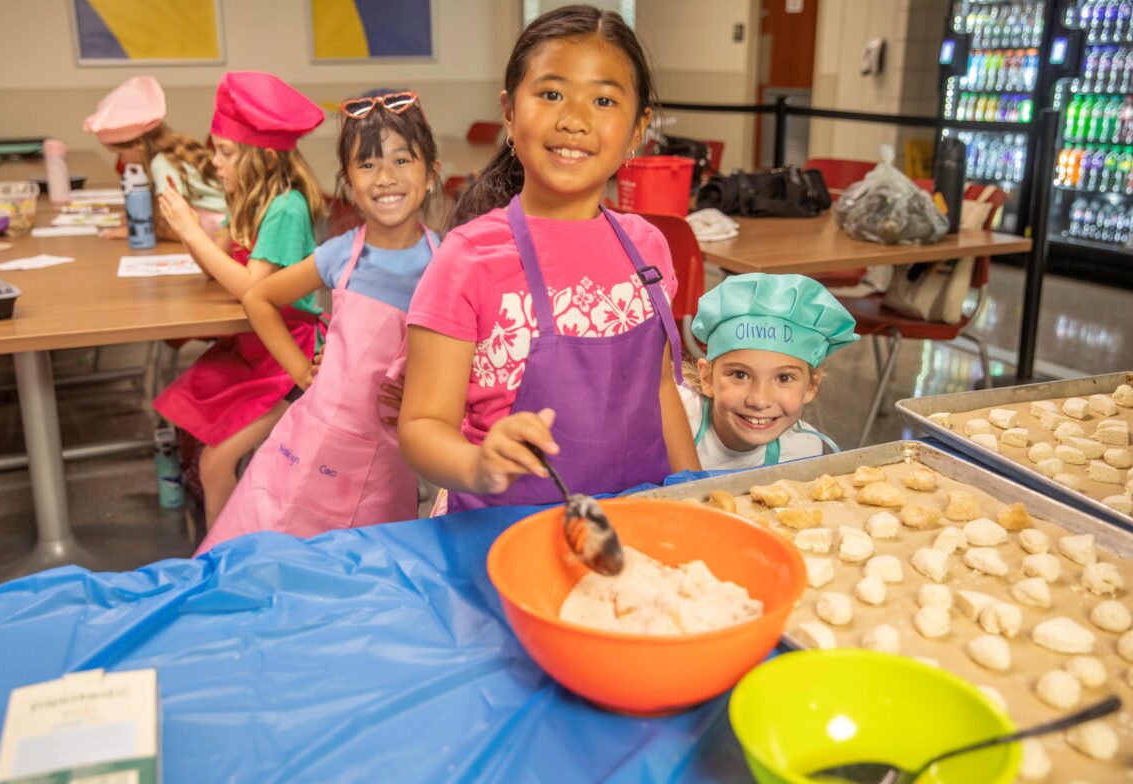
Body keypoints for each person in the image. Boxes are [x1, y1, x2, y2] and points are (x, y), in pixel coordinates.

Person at [399, 5, 700, 514]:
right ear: (510, 113)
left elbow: (661, 390)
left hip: (636, 525)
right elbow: (421, 427)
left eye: (603, 99)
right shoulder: (469, 258)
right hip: (501, 537)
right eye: (551, 93)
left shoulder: (647, 247)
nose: (574, 120)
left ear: (637, 129)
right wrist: (476, 466)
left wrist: (696, 493)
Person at [196, 90, 441, 553]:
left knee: (364, 564)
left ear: (431, 172)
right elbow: (260, 299)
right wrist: (302, 371)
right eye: (366, 165)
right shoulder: (338, 255)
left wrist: (427, 390)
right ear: (348, 182)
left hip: (386, 459)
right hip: (311, 442)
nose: (385, 177)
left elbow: (469, 352)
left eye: (402, 160)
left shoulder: (447, 263)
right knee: (273, 547)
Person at [154, 71, 327, 529]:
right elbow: (225, 255)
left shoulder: (286, 208)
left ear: (264, 158)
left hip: (288, 358)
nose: (215, 162)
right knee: (195, 419)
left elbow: (254, 290)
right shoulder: (256, 200)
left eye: (225, 152)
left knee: (216, 463)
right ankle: (222, 531)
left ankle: (222, 558)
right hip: (255, 347)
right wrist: (192, 232)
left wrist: (192, 232)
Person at [681, 274, 860, 470]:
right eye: (740, 375)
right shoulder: (677, 417)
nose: (759, 401)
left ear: (811, 386)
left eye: (783, 378)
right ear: (707, 377)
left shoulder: (803, 450)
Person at [83, 76, 227, 239]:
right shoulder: (174, 151)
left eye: (120, 154)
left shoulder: (161, 163)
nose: (121, 161)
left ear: (139, 145)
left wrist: (137, 231)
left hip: (216, 230)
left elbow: (174, 226)